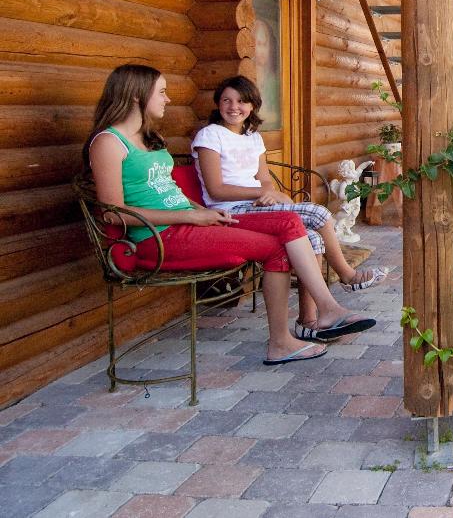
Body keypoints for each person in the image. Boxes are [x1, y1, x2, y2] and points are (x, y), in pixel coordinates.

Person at [84, 64, 376, 365]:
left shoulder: (148, 138)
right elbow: (112, 214)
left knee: (283, 239)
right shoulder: (108, 143)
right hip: (157, 238)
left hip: (189, 224)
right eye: (162, 92)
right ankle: (316, 317)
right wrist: (191, 217)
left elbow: (169, 194)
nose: (167, 99)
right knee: (288, 226)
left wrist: (200, 211)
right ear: (136, 95)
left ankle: (294, 333)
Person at [192, 75, 388, 339]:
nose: (233, 107)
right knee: (319, 212)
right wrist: (264, 192)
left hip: (256, 206)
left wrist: (269, 193)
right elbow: (216, 189)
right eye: (226, 100)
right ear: (218, 103)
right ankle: (347, 275)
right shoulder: (210, 135)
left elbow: (264, 180)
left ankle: (309, 322)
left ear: (252, 105)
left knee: (313, 238)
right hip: (230, 211)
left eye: (241, 101)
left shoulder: (253, 137)